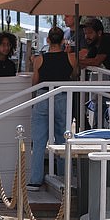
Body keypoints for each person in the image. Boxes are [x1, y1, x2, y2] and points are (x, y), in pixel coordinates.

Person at [28, 26, 76, 189]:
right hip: (62, 97)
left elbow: (35, 81)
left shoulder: (39, 59)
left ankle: (35, 179)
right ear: (63, 40)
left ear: (48, 40)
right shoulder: (71, 58)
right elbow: (75, 74)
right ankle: (63, 178)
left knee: (39, 140)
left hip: (43, 97)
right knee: (62, 139)